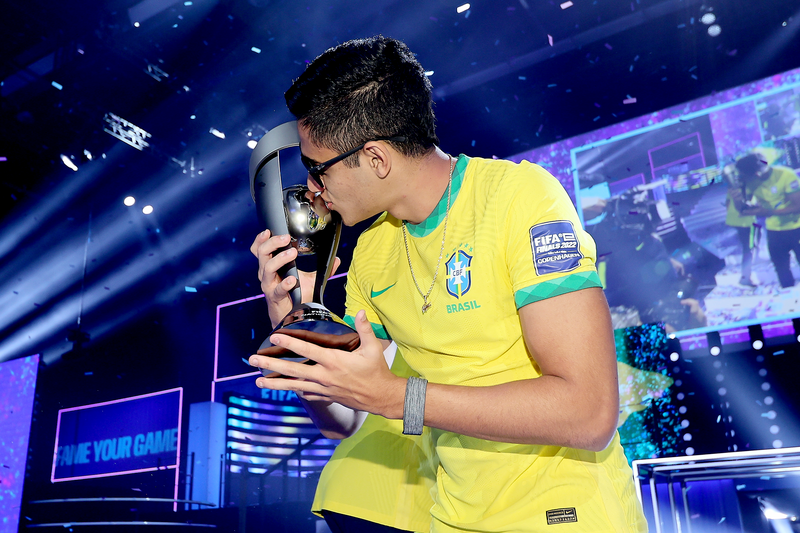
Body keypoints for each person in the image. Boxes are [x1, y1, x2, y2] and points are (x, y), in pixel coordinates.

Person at [250, 36, 647, 532]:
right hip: (453, 516)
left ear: (376, 159)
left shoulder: (518, 198)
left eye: (317, 168)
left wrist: (399, 398)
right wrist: (297, 315)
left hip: (563, 515)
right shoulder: (373, 252)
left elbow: (589, 412)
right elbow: (345, 420)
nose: (311, 190)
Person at [733, 153, 800, 289]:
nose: (744, 178)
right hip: (774, 232)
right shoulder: (750, 181)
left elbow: (798, 206)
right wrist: (736, 198)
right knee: (782, 272)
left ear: (756, 173)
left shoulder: (786, 175)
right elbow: (742, 209)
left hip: (796, 228)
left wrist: (769, 212)